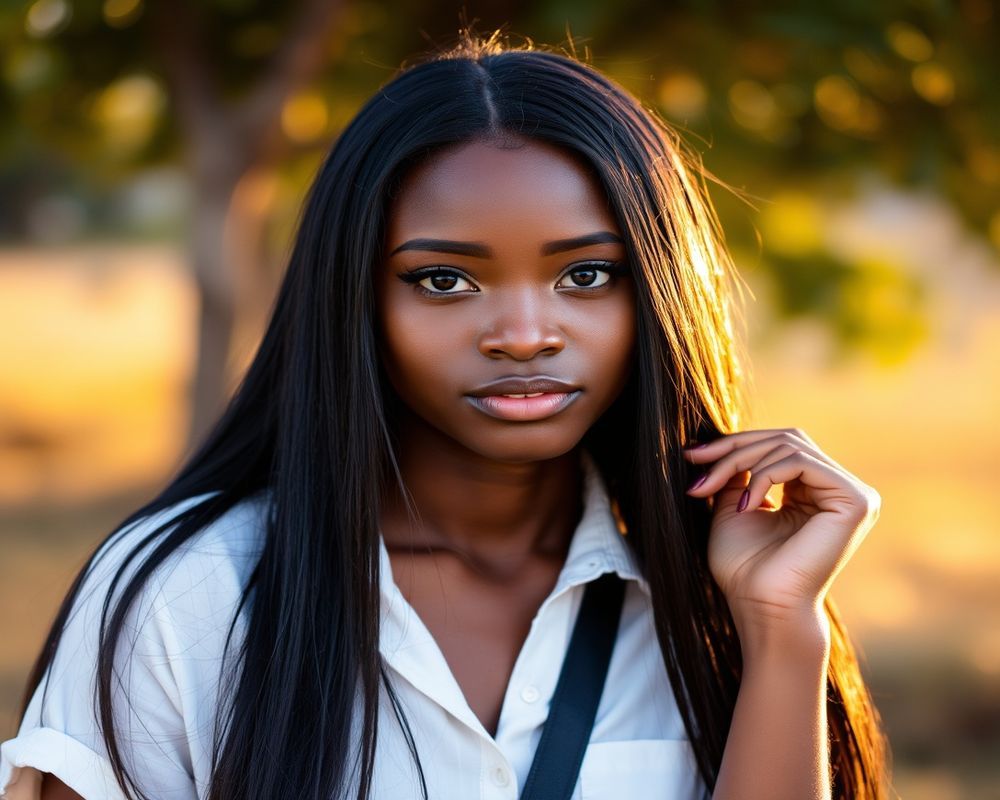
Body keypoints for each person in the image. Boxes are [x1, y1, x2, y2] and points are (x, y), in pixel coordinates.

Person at [0, 31, 890, 800]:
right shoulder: (190, 594)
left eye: (585, 275)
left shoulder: (708, 603)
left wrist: (779, 628)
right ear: (355, 300)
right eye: (444, 280)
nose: (524, 335)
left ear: (655, 292)